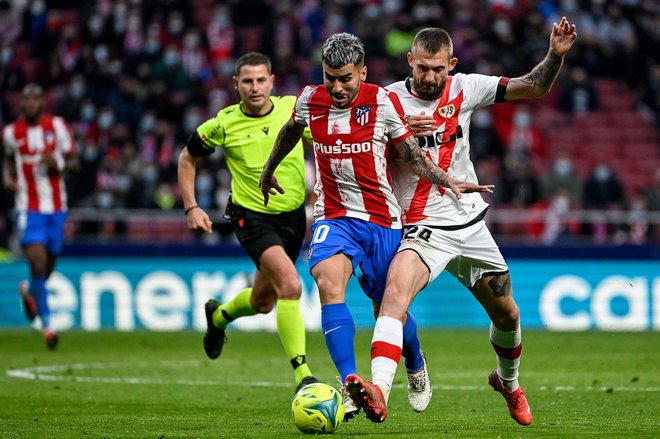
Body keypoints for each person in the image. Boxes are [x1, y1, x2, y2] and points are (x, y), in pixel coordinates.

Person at [348, 18, 577, 426]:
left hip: (468, 224)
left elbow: (535, 86)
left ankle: (509, 383)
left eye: (438, 68)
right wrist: (395, 140)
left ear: (451, 64)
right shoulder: (385, 102)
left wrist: (554, 56)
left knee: (508, 316)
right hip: (419, 227)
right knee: (393, 297)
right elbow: (364, 161)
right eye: (422, 68)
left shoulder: (466, 87)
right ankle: (379, 390)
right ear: (409, 61)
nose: (430, 76)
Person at [258, 33, 492, 422]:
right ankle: (351, 383)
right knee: (329, 283)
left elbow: (412, 157)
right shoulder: (309, 100)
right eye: (330, 77)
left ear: (362, 73)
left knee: (388, 307)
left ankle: (415, 361)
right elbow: (289, 131)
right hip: (334, 216)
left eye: (345, 78)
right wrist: (268, 171)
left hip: (383, 220)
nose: (336, 86)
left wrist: (446, 178)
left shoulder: (381, 102)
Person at [177, 52, 317, 394]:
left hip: (293, 218)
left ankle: (219, 317)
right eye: (247, 81)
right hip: (251, 218)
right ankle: (304, 376)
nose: (254, 88)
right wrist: (192, 206)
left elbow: (330, 142)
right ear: (235, 84)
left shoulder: (292, 110)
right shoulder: (223, 124)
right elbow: (187, 158)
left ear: (272, 81)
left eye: (260, 80)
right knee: (291, 286)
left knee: (262, 302)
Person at [2, 83, 79, 349]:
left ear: (42, 103)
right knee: (36, 261)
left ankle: (28, 289)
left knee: (47, 265)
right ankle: (48, 326)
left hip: (57, 208)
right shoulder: (11, 133)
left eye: (36, 99)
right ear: (21, 104)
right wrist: (7, 175)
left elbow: (75, 163)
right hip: (28, 206)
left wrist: (56, 164)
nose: (31, 103)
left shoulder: (57, 127)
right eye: (27, 99)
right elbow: (8, 157)